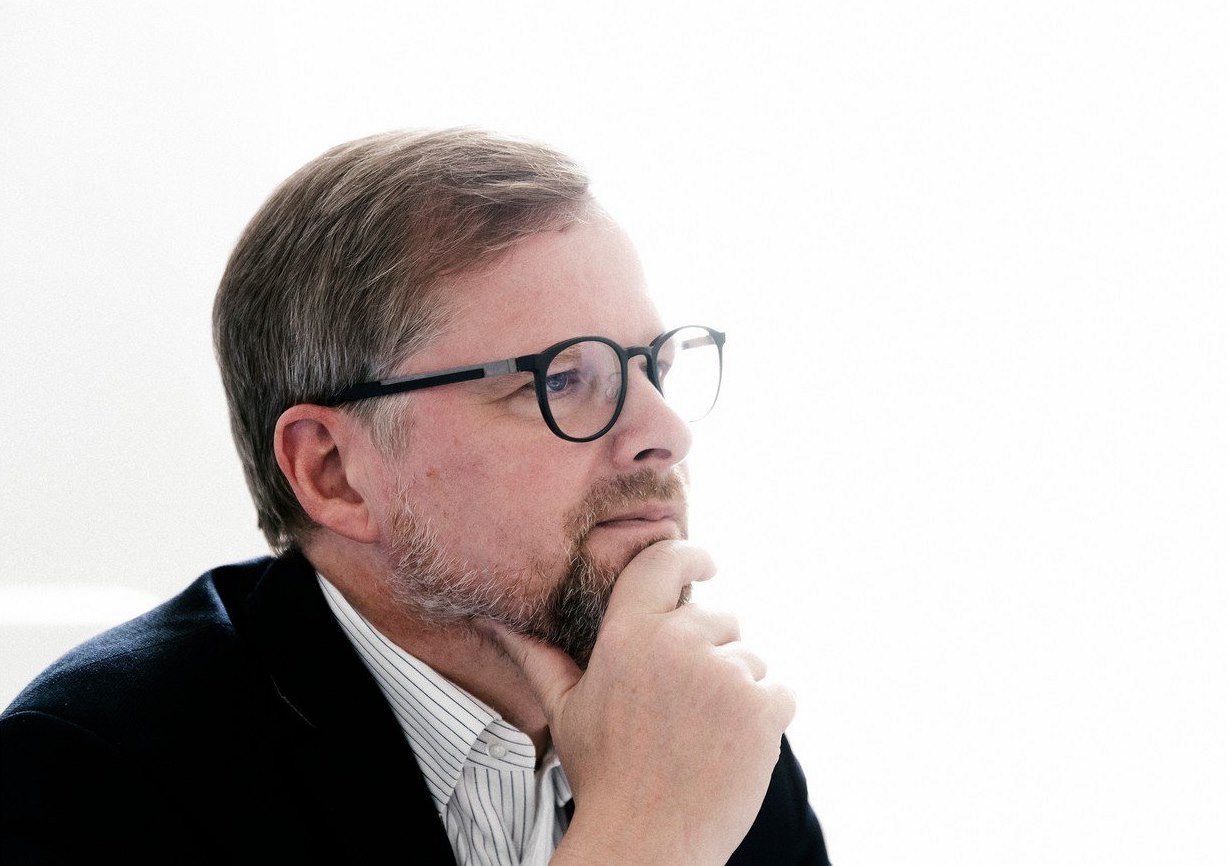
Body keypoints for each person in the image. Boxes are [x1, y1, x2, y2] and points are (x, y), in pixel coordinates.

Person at [0, 128, 831, 865]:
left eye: (657, 368)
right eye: (560, 380)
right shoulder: (89, 774)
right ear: (333, 471)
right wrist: (642, 841)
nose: (665, 433)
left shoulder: (694, 718)